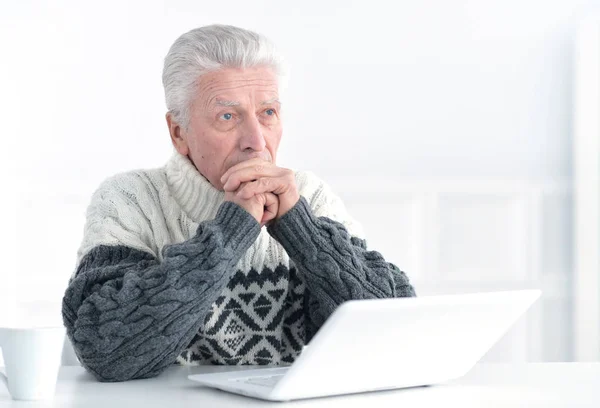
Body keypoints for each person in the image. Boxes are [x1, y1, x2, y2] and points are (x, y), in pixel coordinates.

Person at [61, 24, 416, 383]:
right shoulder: (130, 199)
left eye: (268, 113)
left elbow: (394, 336)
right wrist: (232, 230)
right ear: (178, 133)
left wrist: (301, 229)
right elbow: (106, 351)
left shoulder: (311, 198)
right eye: (227, 117)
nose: (256, 142)